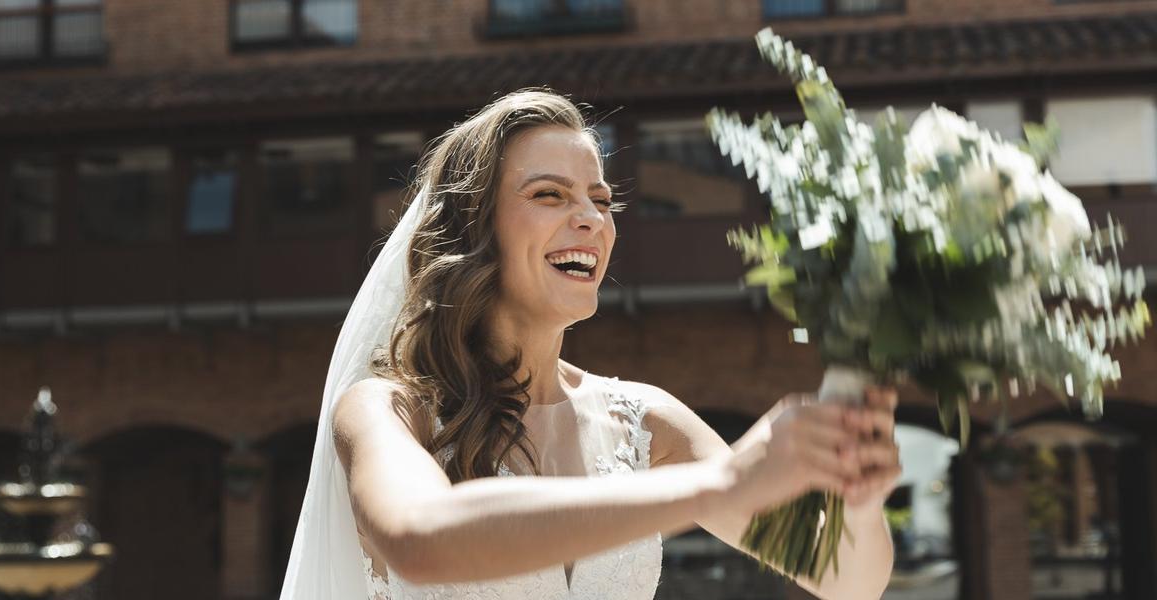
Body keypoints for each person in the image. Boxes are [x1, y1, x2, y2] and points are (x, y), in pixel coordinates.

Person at [279, 88, 902, 600]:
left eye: (600, 200)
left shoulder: (646, 421)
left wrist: (863, 504)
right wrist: (718, 484)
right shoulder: (388, 408)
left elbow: (845, 579)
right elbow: (419, 538)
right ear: (473, 227)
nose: (592, 219)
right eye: (549, 194)